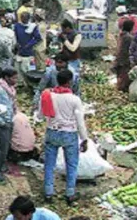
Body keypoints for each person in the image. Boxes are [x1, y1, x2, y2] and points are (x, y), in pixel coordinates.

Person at [37, 70, 88, 205]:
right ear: (70, 82)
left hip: (52, 131)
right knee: (71, 164)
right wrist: (84, 139)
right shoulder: (74, 99)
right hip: (69, 133)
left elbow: (40, 116)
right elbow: (80, 122)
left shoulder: (47, 95)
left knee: (49, 164)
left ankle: (48, 193)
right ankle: (70, 194)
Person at [14, 12, 41, 87]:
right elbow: (15, 35)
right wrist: (16, 43)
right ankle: (20, 84)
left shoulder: (32, 26)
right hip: (19, 51)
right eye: (22, 18)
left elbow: (38, 38)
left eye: (25, 18)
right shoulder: (17, 26)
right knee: (18, 69)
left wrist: (29, 44)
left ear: (28, 18)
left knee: (27, 70)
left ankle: (29, 85)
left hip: (28, 52)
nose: (23, 19)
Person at [114, 19, 135, 92]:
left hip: (119, 57)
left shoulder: (121, 34)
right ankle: (123, 89)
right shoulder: (129, 37)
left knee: (120, 73)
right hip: (125, 59)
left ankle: (120, 87)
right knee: (124, 74)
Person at [33, 9, 47, 73]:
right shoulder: (40, 24)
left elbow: (38, 37)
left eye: (36, 15)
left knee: (40, 63)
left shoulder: (41, 26)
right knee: (38, 62)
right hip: (39, 46)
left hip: (40, 46)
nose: (34, 16)